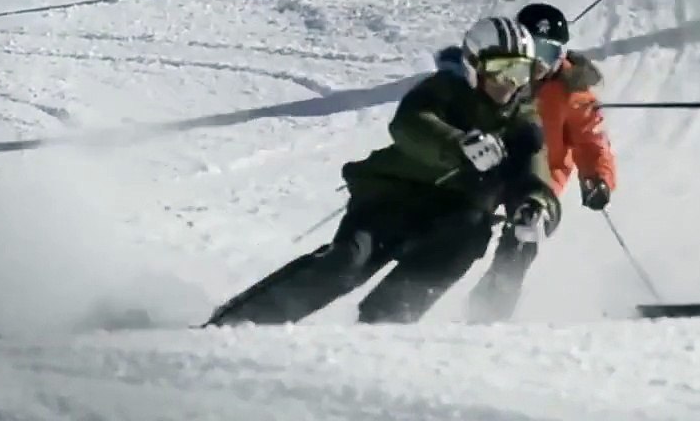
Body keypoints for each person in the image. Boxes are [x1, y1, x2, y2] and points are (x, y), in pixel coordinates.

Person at [202, 16, 562, 327]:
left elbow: (534, 168)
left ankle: (383, 326)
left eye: (519, 72)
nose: (508, 83)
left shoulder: (522, 121)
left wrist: (534, 204)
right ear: (473, 65)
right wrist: (458, 144)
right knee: (347, 263)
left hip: (457, 215)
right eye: (499, 70)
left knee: (461, 242)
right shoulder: (444, 91)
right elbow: (410, 124)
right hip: (394, 197)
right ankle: (239, 321)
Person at [465, 2, 619, 322]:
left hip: (542, 177)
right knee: (463, 226)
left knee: (524, 236)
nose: (540, 64)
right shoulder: (503, 73)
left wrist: (597, 179)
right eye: (535, 52)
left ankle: (489, 311)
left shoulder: (572, 91)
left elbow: (591, 140)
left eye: (550, 54)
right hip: (492, 166)